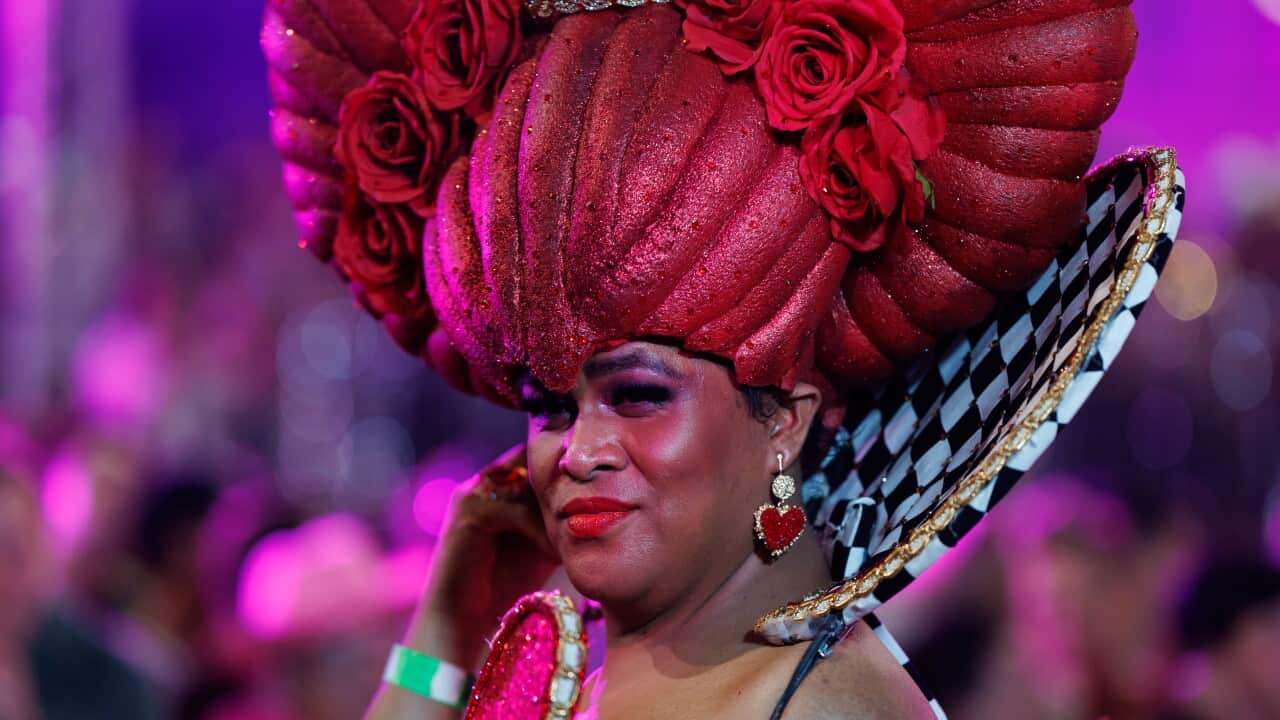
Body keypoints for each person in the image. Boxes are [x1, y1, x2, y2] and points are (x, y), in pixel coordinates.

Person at [260, 0, 1184, 715]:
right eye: (548, 407)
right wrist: (448, 623)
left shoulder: (824, 706)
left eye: (636, 396)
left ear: (780, 422)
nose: (575, 451)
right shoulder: (596, 660)